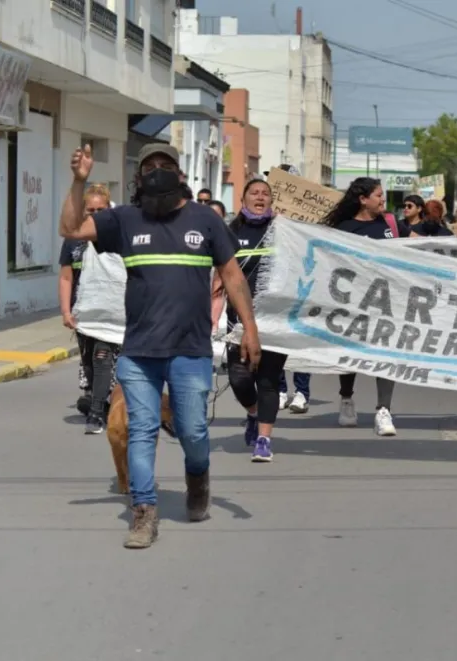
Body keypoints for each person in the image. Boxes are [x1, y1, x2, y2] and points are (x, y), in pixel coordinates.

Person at [58, 143, 261, 549]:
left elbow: (233, 276)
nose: (156, 171)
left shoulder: (205, 220)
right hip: (139, 352)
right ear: (138, 177)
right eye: (148, 165)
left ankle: (197, 477)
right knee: (141, 431)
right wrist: (79, 181)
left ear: (179, 172)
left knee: (193, 431)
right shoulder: (124, 220)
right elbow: (72, 230)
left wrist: (250, 329)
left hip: (190, 351)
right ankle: (144, 513)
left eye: (164, 165)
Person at [324, 177, 407, 436]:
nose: (383, 200)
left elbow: (421, 242)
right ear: (363, 199)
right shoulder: (344, 228)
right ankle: (347, 398)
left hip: (386, 304)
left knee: (386, 355)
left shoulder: (389, 224)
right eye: (379, 195)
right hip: (352, 303)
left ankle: (384, 410)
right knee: (352, 355)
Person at [211, 179, 286, 463]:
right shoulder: (230, 232)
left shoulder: (283, 232)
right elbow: (220, 277)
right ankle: (253, 413)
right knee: (239, 378)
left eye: (266, 193)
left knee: (268, 380)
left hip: (275, 320)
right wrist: (213, 315)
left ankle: (264, 440)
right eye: (254, 192)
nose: (260, 196)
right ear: (243, 199)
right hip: (238, 322)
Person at [59, 183, 121, 434]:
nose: (96, 214)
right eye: (91, 209)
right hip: (83, 313)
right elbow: (65, 277)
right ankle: (102, 402)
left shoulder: (119, 234)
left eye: (101, 209)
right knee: (90, 366)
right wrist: (66, 311)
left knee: (102, 358)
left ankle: (95, 414)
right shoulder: (74, 239)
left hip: (113, 310)